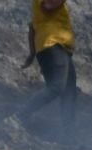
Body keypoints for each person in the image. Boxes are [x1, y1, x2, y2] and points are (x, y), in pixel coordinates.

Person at [15, 0, 77, 134]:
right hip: (53, 45)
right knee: (57, 87)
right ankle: (18, 117)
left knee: (69, 91)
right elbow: (49, 4)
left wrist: (32, 54)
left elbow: (32, 29)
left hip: (58, 48)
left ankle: (70, 133)